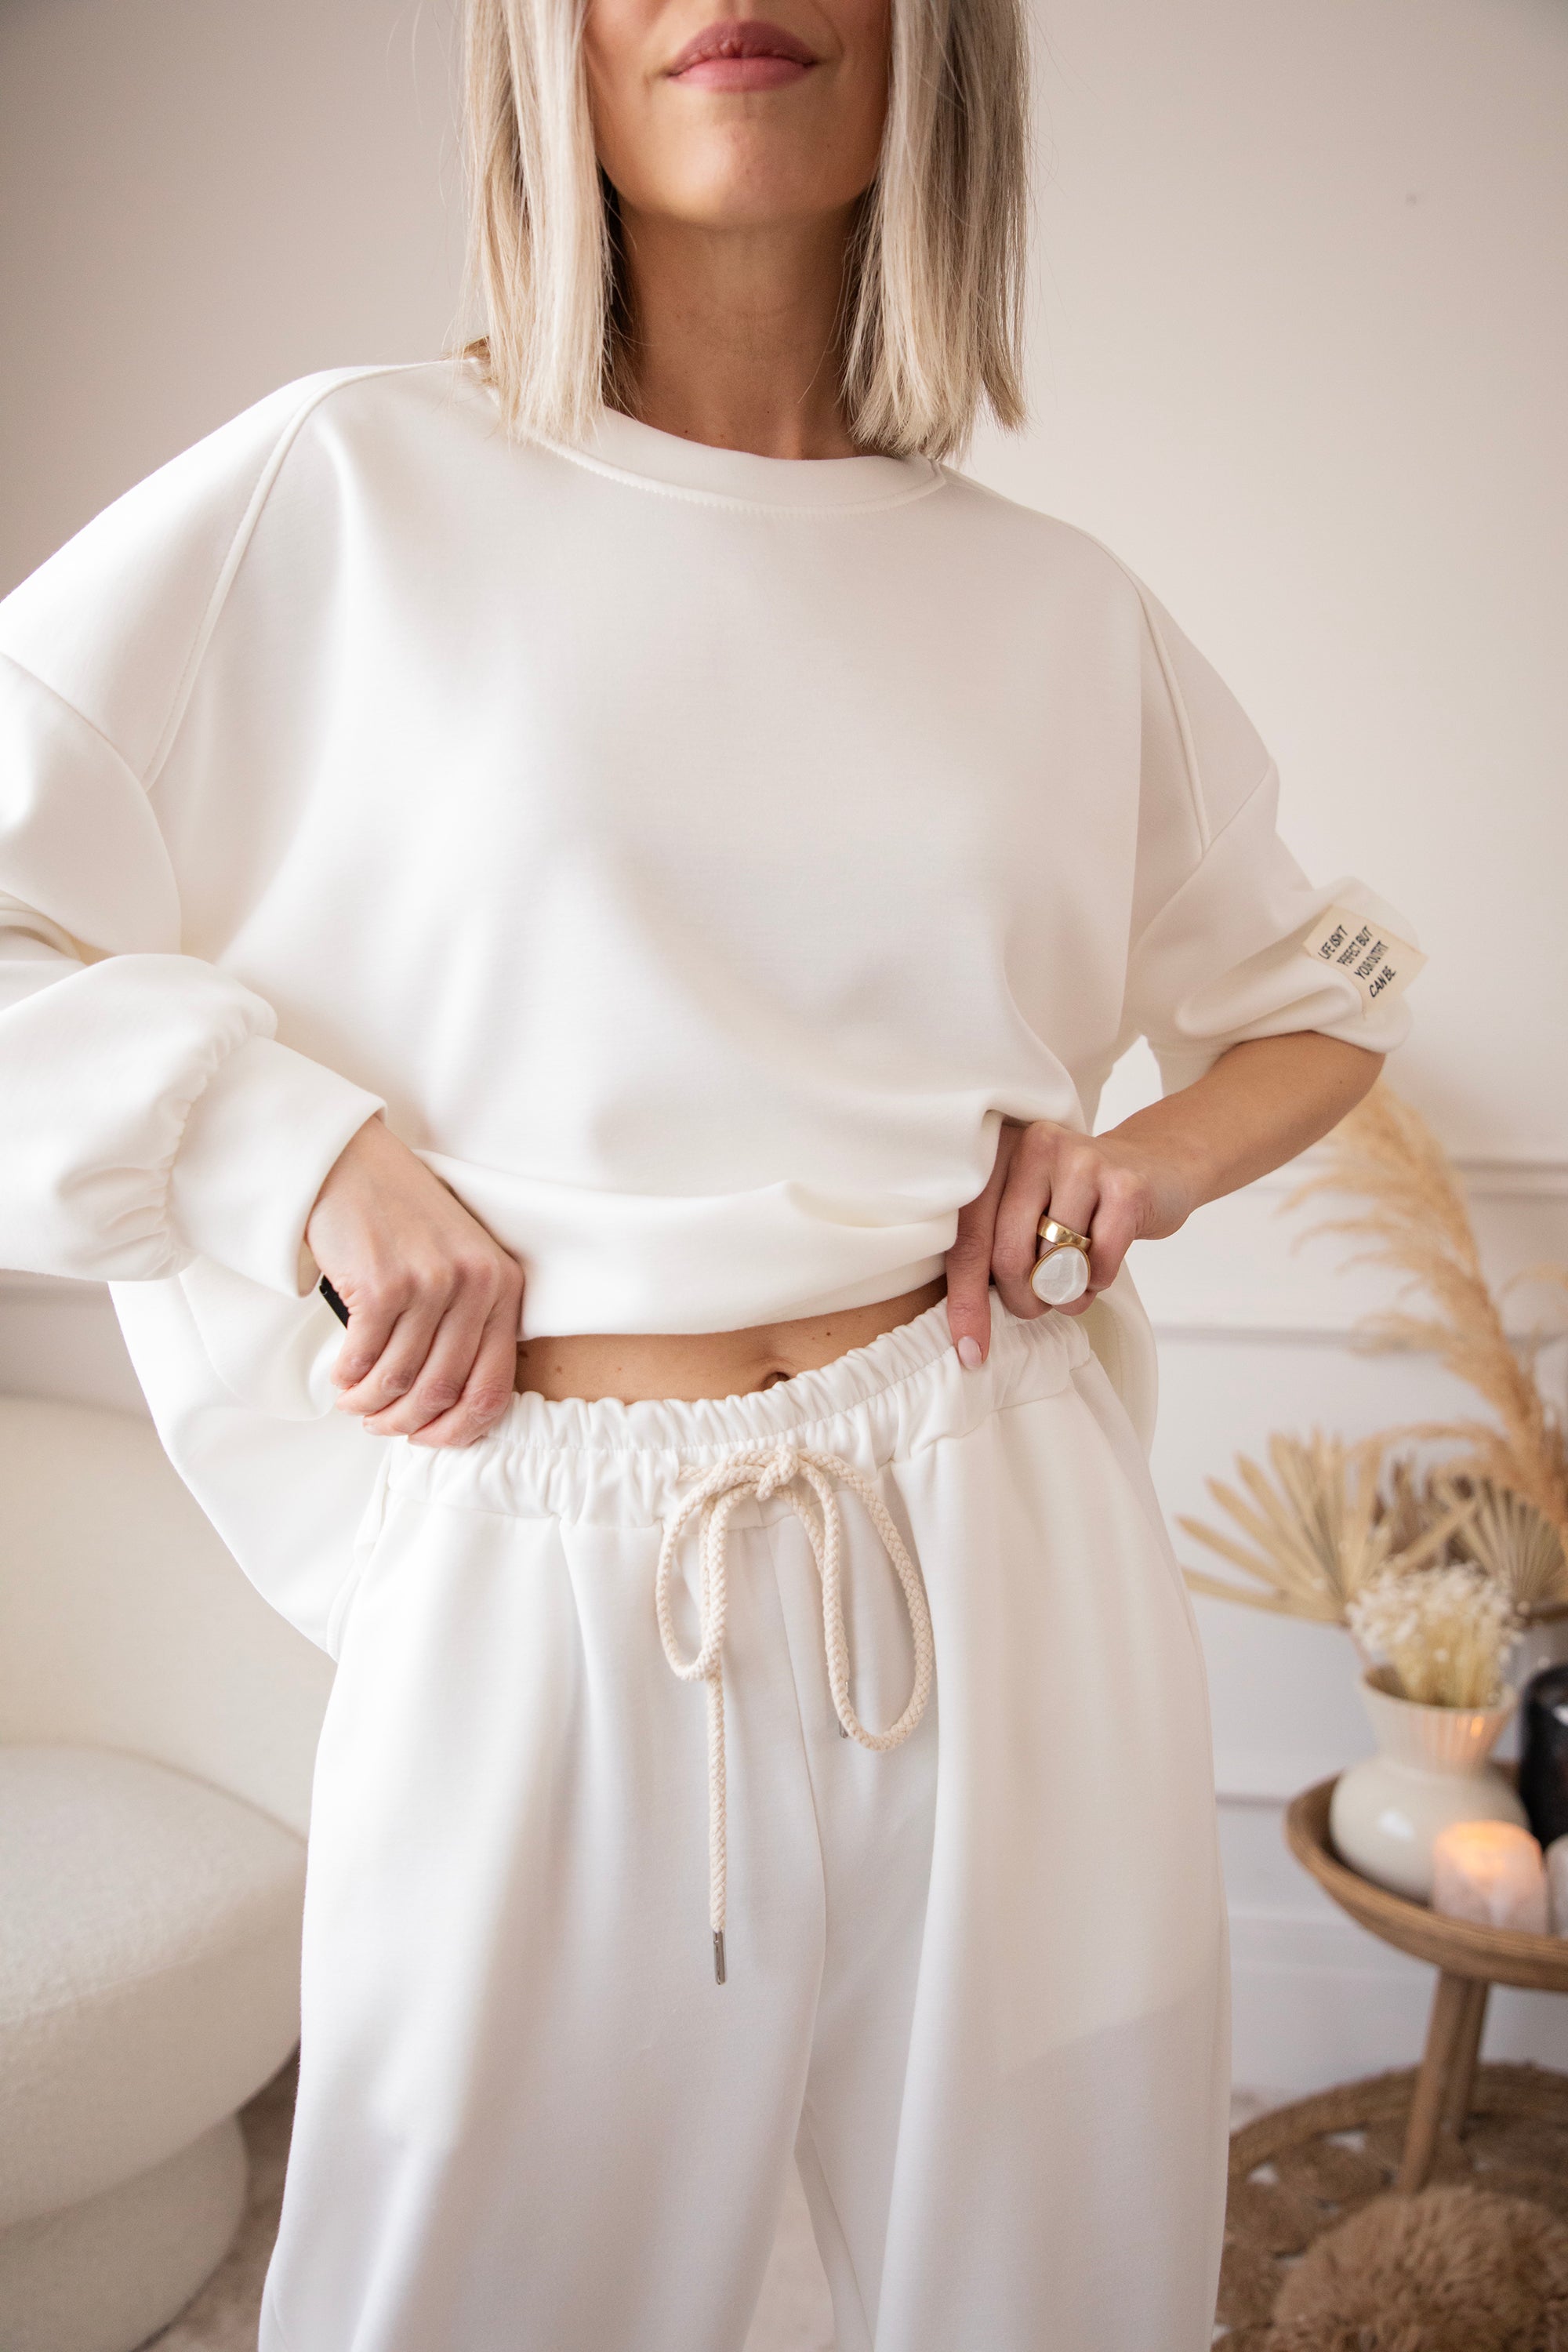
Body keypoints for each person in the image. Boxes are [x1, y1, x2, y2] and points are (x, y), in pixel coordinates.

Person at [0, 2, 1424, 2345]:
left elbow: (1327, 986)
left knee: (1051, 2293)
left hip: (1004, 1535)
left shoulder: (1057, 607)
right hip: (546, 1585)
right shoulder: (344, 491)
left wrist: (1141, 1164)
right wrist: (291, 1153)